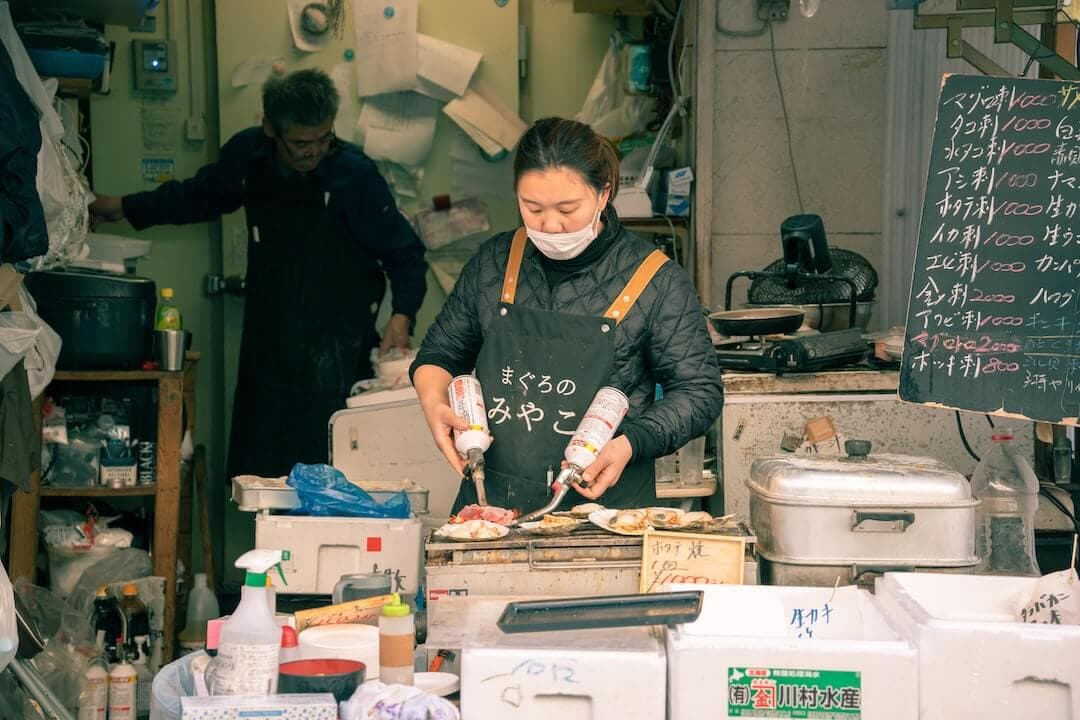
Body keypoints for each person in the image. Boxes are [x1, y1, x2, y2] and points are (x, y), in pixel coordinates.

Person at [90, 68, 427, 479]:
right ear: (270, 128)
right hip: (269, 342)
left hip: (338, 346)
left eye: (324, 138)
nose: (314, 151)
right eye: (302, 142)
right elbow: (198, 197)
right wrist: (123, 207)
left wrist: (402, 314)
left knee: (336, 472)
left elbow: (405, 251)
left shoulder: (354, 175)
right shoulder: (250, 158)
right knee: (266, 472)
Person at [410, 117, 722, 514]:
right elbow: (441, 354)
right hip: (491, 508)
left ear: (604, 193)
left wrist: (631, 443)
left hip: (607, 512)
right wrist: (433, 401)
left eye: (567, 208)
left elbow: (699, 392)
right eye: (533, 207)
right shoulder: (495, 262)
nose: (551, 225)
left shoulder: (657, 281)